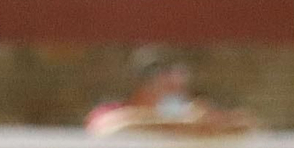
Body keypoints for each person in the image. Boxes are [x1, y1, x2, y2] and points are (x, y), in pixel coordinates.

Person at [86, 46, 258, 136]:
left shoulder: (191, 113)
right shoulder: (114, 111)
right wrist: (181, 124)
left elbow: (249, 125)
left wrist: (208, 123)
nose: (178, 93)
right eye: (169, 87)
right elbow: (103, 127)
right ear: (144, 86)